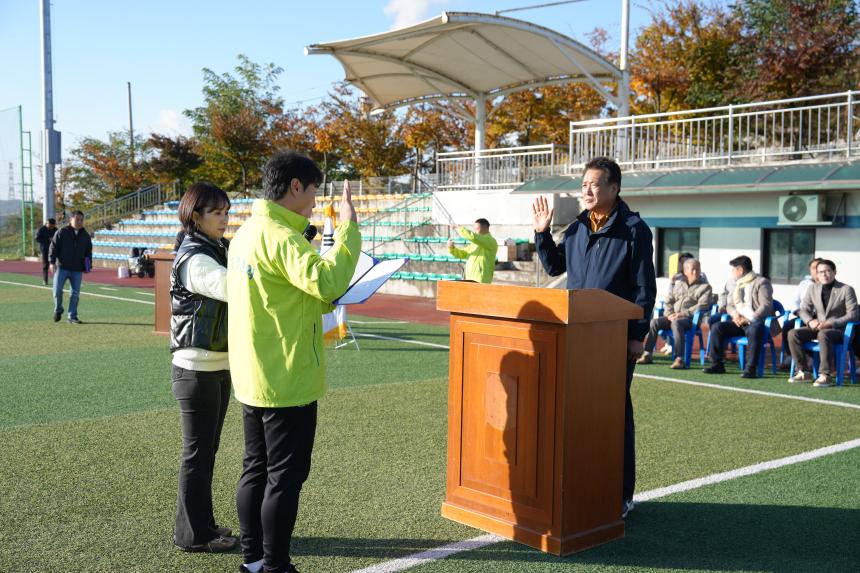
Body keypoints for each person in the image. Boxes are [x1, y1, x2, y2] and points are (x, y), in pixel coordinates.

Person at [227, 151, 361, 573]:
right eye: (315, 189)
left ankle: (253, 559)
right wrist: (349, 230)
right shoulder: (280, 237)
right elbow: (327, 282)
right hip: (286, 375)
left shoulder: (249, 231)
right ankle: (276, 564)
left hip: (254, 372)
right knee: (284, 477)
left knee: (255, 468)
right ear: (296, 186)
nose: (317, 199)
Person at [532, 156, 656, 519]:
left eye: (594, 184)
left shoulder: (634, 229)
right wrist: (542, 232)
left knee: (614, 414)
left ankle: (621, 495)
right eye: (584, 184)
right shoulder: (577, 227)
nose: (586, 190)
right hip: (577, 336)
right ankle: (584, 486)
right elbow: (556, 266)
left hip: (614, 337)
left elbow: (644, 287)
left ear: (614, 188)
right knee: (580, 412)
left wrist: (637, 335)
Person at [169, 182, 237, 553]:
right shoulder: (195, 258)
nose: (224, 219)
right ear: (196, 216)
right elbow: (232, 287)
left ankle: (203, 526)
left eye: (226, 212)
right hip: (195, 369)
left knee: (205, 452)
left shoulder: (214, 248)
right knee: (197, 454)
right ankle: (193, 535)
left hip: (214, 366)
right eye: (216, 213)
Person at [787, 259, 859, 387]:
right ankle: (803, 372)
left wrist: (830, 323)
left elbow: (853, 314)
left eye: (827, 271)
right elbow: (803, 310)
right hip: (818, 328)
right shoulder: (812, 288)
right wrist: (810, 321)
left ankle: (825, 375)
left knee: (823, 334)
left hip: (839, 330)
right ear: (816, 274)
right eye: (820, 272)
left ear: (834, 272)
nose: (824, 275)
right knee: (793, 333)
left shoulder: (846, 289)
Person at [703, 255, 776, 378]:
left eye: (733, 269)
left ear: (740, 270)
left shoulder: (761, 282)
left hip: (757, 322)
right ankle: (717, 364)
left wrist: (749, 319)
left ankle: (751, 368)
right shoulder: (738, 284)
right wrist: (735, 315)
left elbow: (766, 305)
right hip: (739, 322)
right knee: (717, 327)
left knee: (754, 328)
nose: (732, 273)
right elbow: (730, 305)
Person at [638, 258, 712, 369]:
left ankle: (679, 359)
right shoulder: (679, 284)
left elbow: (703, 305)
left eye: (697, 269)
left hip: (689, 320)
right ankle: (647, 354)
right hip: (673, 317)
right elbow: (669, 300)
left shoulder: (705, 287)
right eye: (692, 270)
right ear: (685, 271)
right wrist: (669, 314)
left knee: (676, 323)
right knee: (654, 322)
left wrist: (683, 314)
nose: (695, 272)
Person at [49, 210, 92, 324]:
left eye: (81, 220)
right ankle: (58, 309)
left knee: (75, 294)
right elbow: (53, 247)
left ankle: (72, 316)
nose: (79, 222)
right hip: (62, 267)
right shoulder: (62, 232)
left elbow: (88, 252)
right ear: (70, 219)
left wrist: (87, 266)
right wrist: (52, 262)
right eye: (77, 219)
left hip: (77, 269)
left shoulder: (85, 235)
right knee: (57, 292)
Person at [778, 258, 822, 369]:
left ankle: (812, 357)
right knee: (788, 326)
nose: (816, 270)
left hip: (821, 318)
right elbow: (795, 302)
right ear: (810, 270)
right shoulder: (804, 284)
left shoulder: (828, 284)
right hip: (803, 316)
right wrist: (799, 313)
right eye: (813, 268)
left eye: (818, 268)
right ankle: (792, 356)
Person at [447, 218, 499, 283]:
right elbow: (463, 254)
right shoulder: (475, 243)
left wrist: (460, 228)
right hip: (470, 277)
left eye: (477, 229)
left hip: (481, 279)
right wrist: (452, 248)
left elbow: (473, 237)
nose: (475, 232)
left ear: (485, 228)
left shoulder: (491, 241)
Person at [35, 218, 58, 285]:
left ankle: (57, 279)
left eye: (52, 226)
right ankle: (45, 280)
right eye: (49, 225)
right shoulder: (42, 229)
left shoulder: (56, 230)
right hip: (45, 248)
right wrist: (47, 240)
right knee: (45, 265)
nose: (50, 227)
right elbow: (37, 238)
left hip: (54, 249)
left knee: (56, 264)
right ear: (47, 224)